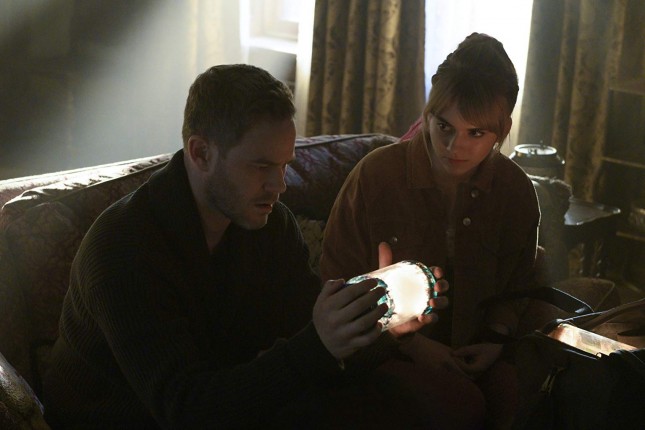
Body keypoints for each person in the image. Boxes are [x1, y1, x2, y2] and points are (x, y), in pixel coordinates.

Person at [41, 64, 448, 429]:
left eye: (284, 165)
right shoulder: (124, 249)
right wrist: (318, 346)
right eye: (261, 166)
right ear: (201, 153)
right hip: (127, 419)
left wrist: (378, 328)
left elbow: (307, 343)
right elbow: (186, 409)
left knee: (393, 405)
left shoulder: (271, 227)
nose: (279, 185)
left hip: (227, 406)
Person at [320, 33, 540, 429]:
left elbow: (519, 281)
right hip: (381, 351)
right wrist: (412, 344)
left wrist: (496, 338)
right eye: (444, 126)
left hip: (478, 349)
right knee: (460, 404)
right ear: (428, 112)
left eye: (476, 133)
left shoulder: (515, 191)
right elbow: (335, 281)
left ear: (503, 129)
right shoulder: (377, 176)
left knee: (524, 396)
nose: (454, 146)